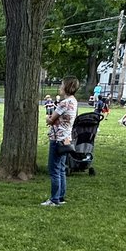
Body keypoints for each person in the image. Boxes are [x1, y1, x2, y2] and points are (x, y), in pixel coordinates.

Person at [43, 76, 79, 207]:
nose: (60, 87)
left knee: (54, 169)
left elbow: (51, 119)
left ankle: (54, 199)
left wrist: (48, 118)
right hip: (66, 139)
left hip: (57, 139)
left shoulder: (64, 103)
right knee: (62, 169)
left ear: (67, 87)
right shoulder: (74, 101)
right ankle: (61, 196)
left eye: (62, 85)